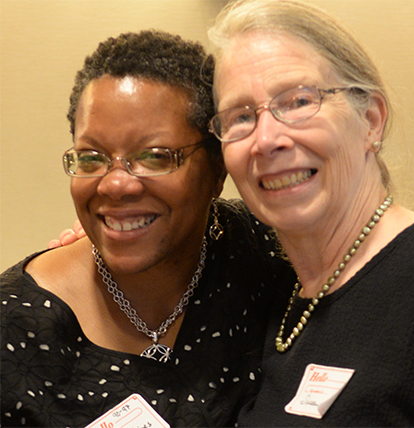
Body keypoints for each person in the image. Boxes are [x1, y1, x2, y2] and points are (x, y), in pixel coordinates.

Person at [0, 29, 295, 427]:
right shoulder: (15, 328)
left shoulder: (267, 253)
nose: (116, 184)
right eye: (91, 157)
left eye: (155, 157)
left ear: (216, 171)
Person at [206, 0, 414, 426]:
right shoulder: (275, 293)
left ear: (370, 120)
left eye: (298, 100)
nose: (266, 139)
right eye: (240, 117)